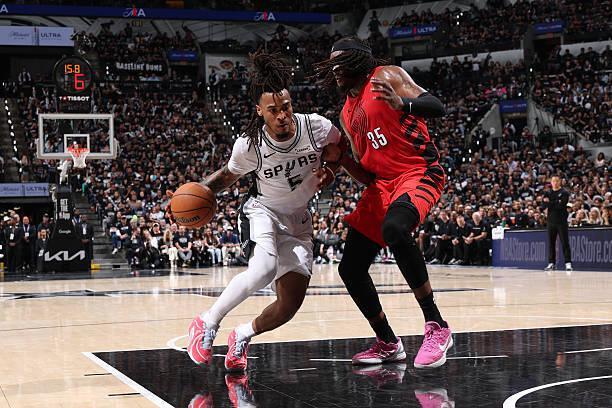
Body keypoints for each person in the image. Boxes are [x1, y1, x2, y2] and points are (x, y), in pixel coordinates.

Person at [186, 51, 341, 372]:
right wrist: (192, 194)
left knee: (289, 305)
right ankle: (207, 321)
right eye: (273, 110)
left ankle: (242, 334)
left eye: (286, 107)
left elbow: (337, 149)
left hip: (298, 221)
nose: (282, 115)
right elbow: (226, 177)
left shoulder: (316, 127)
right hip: (262, 212)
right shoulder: (250, 144)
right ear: (259, 111)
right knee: (264, 269)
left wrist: (331, 168)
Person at [314, 36, 452, 368]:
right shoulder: (347, 113)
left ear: (358, 61)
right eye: (332, 65)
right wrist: (342, 160)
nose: (335, 70)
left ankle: (437, 326)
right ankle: (388, 342)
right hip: (382, 185)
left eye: (341, 63)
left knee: (395, 229)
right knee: (350, 268)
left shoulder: (386, 76)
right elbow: (367, 175)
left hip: (417, 171)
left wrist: (403, 105)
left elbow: (437, 106)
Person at [544, 175, 573, 271]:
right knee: (551, 243)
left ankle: (568, 263)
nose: (555, 183)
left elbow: (561, 205)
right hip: (550, 221)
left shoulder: (564, 192)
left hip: (561, 221)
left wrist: (550, 202)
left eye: (557, 181)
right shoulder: (548, 192)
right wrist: (555, 202)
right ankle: (551, 263)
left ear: (560, 181)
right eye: (553, 181)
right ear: (551, 182)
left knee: (565, 242)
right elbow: (543, 205)